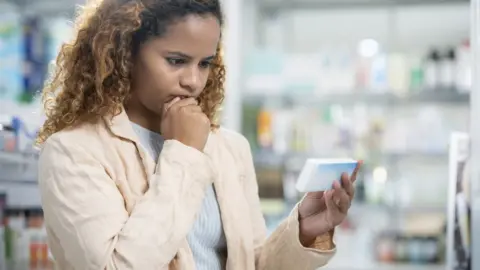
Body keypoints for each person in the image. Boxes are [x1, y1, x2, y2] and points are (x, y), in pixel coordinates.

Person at [36, 0, 362, 269]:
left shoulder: (229, 148)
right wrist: (183, 153)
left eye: (205, 63)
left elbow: (252, 263)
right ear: (125, 53)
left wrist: (303, 230)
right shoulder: (74, 152)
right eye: (176, 61)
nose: (193, 81)